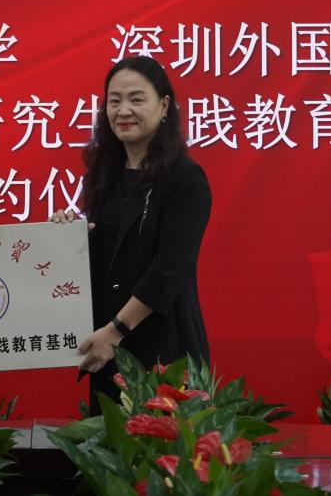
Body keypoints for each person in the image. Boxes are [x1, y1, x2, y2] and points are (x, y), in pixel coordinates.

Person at [53, 55, 211, 406]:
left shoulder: (186, 179)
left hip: (163, 352)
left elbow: (169, 270)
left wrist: (117, 330)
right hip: (108, 351)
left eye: (136, 99)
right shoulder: (104, 175)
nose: (123, 110)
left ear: (164, 105)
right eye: (114, 101)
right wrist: (67, 239)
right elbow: (108, 256)